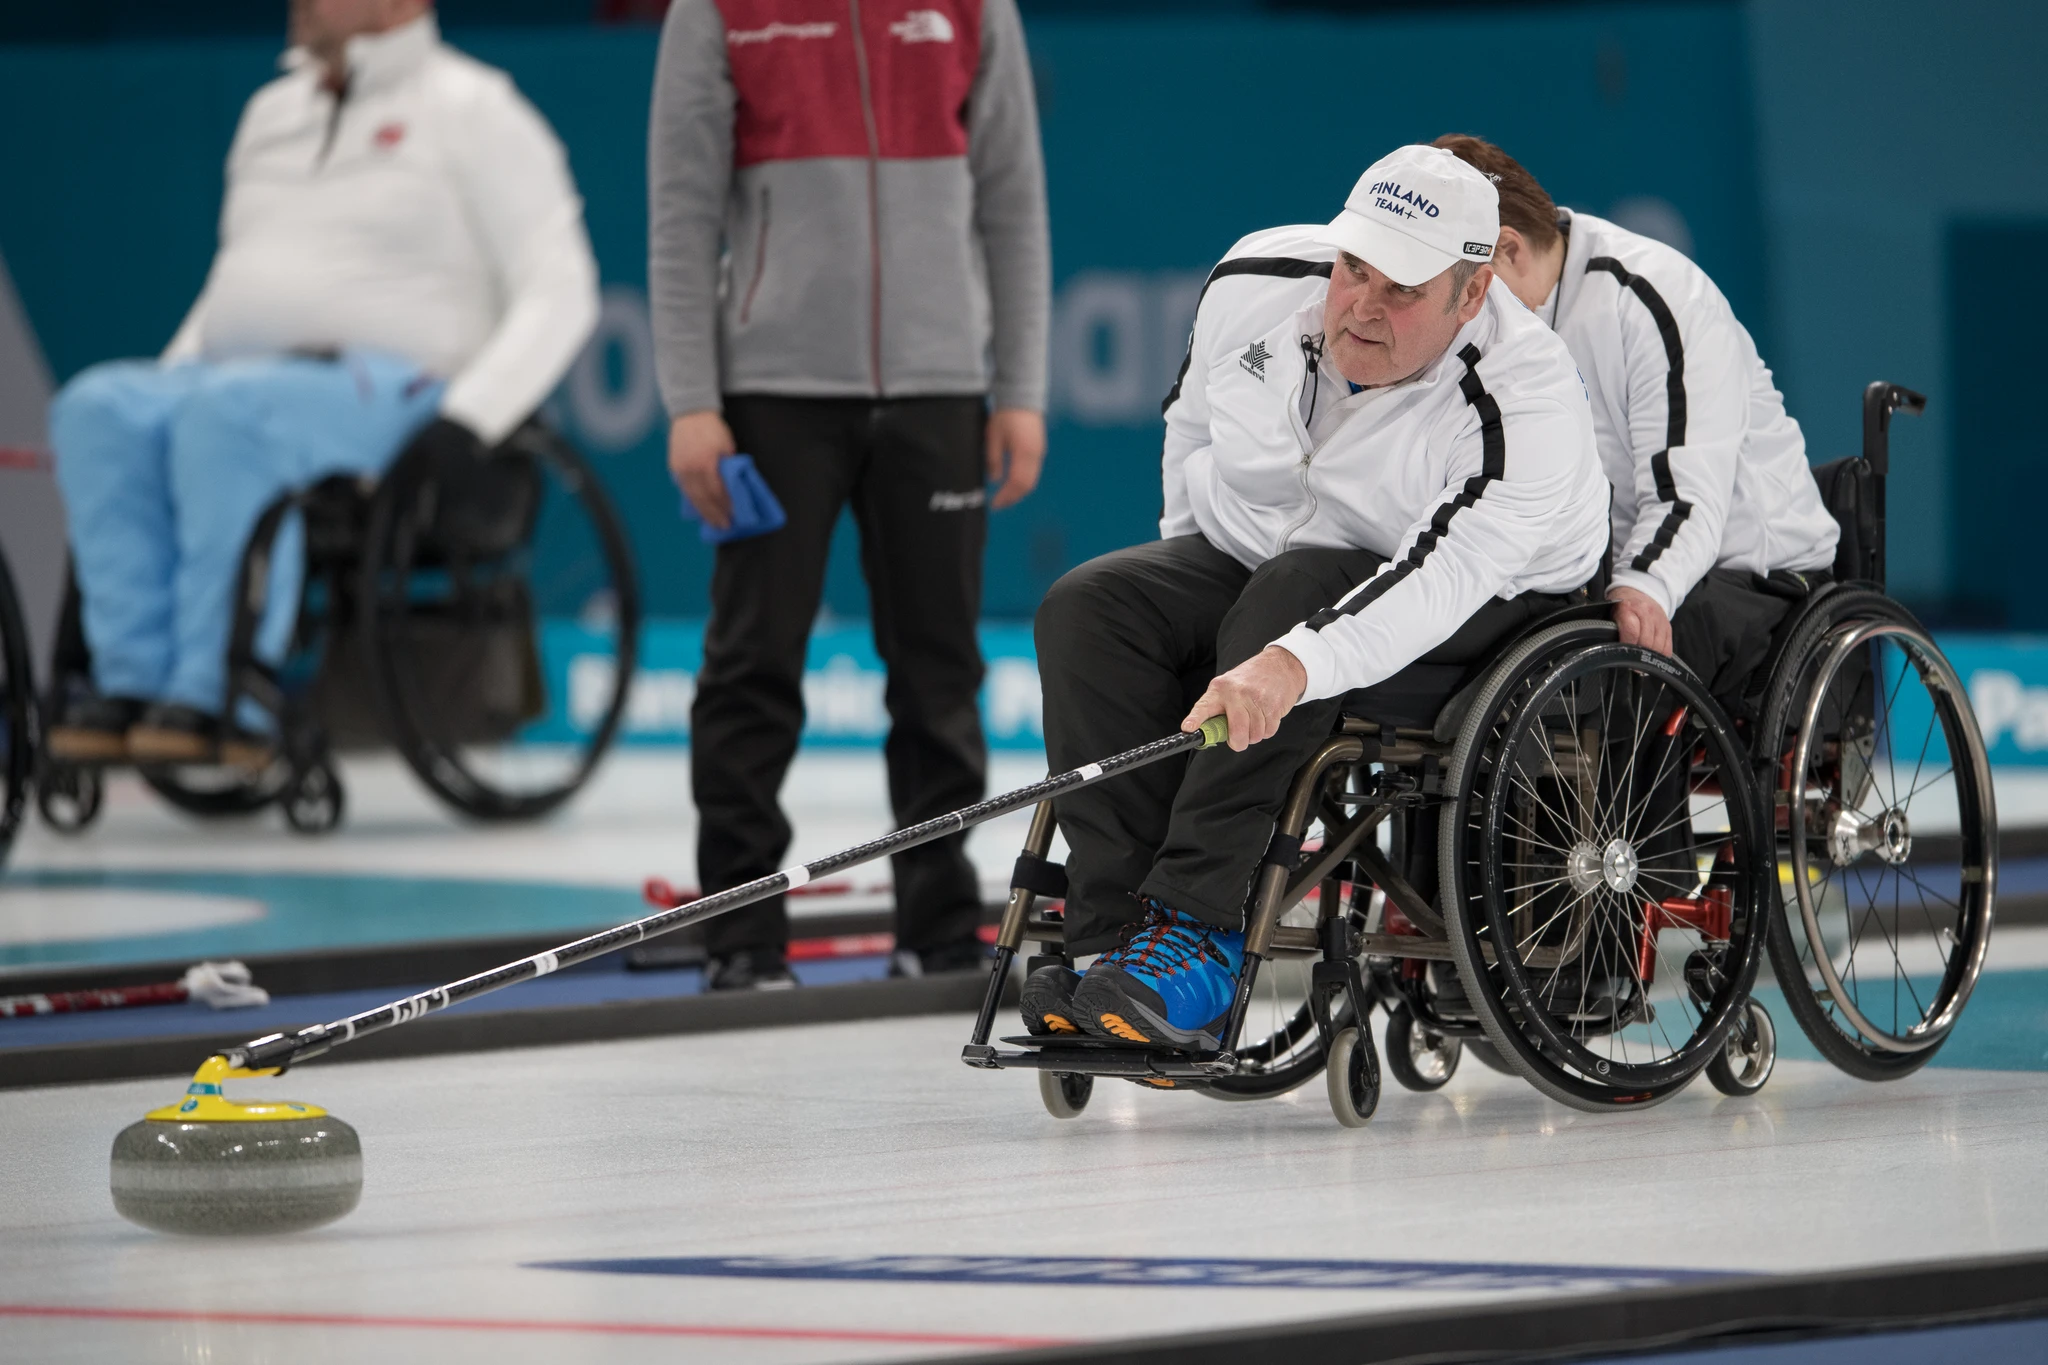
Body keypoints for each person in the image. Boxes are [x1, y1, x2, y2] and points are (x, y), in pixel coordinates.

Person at [1025, 145, 1611, 1049]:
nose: (1362, 306)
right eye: (1354, 270)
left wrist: (1294, 659)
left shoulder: (1522, 400)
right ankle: (1116, 939)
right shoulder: (1254, 278)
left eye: (1403, 290)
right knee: (1092, 607)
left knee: (1292, 598)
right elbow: (1191, 429)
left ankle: (1197, 932)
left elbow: (1443, 577)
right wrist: (1198, 616)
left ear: (1473, 290)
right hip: (1275, 562)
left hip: (1492, 610)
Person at [45, 0, 599, 768]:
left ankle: (225, 687)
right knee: (96, 409)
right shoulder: (270, 113)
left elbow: (560, 287)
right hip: (241, 379)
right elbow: (236, 283)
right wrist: (164, 392)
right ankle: (131, 683)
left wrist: (472, 418)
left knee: (226, 413)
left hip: (396, 391)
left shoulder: (476, 108)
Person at [647, 0, 1050, 990]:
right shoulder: (717, 10)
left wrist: (1021, 390)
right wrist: (691, 401)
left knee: (939, 675)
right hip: (772, 395)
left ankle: (939, 930)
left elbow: (1011, 200)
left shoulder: (970, 8)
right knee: (751, 666)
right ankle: (741, 937)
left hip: (939, 389)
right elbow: (682, 210)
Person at [1433, 134, 1838, 707]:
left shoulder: (1654, 299)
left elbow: (1688, 495)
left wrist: (1643, 586)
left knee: (1617, 666)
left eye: (1461, 282)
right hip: (1594, 571)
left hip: (1750, 572)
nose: (1454, 306)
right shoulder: (1487, 332)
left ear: (1509, 249)